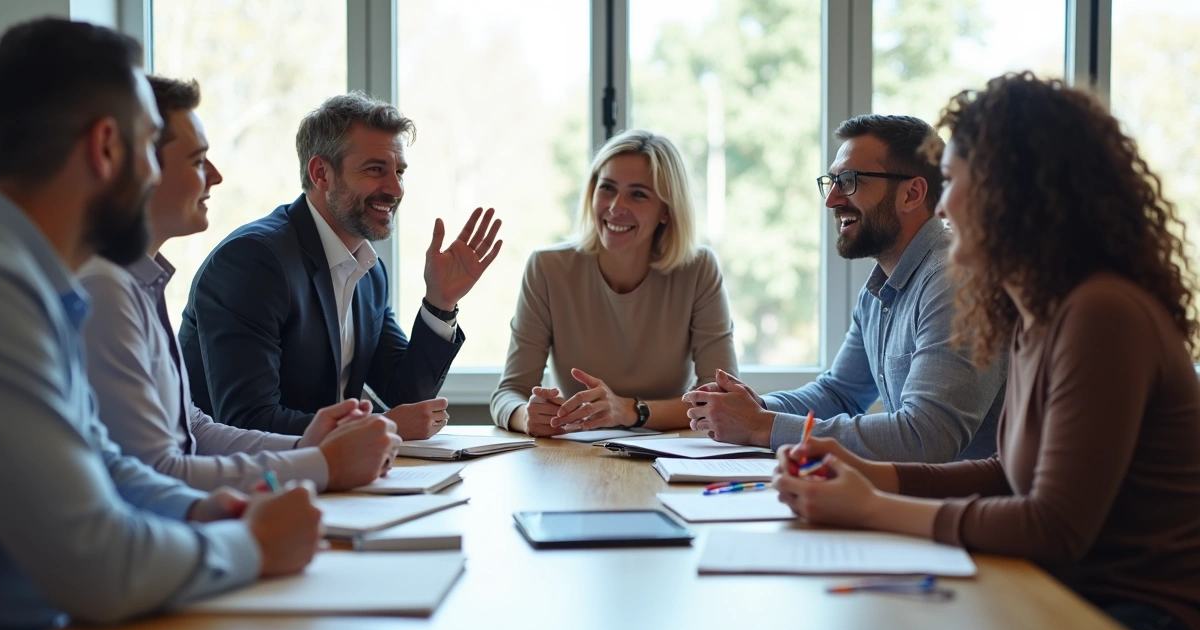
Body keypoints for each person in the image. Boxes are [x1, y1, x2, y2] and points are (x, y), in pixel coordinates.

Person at [775, 73, 1200, 630]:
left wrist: (871, 506)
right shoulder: (1034, 312)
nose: (943, 203)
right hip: (1057, 591)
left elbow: (1054, 525)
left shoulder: (1102, 312)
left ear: (1015, 193)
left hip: (1133, 617)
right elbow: (1010, 475)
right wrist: (868, 472)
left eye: (952, 181)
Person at [0, 19, 328, 630]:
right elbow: (98, 562)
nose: (150, 175)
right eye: (150, 147)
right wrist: (252, 546)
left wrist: (205, 509)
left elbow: (107, 463)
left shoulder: (36, 282)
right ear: (106, 148)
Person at [79, 76, 401, 493]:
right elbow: (159, 469)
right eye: (197, 160)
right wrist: (322, 465)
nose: (215, 176)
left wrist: (307, 444)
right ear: (131, 163)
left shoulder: (142, 282)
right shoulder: (104, 289)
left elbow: (194, 429)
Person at [179, 92, 503, 437]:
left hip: (332, 476)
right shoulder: (253, 261)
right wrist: (380, 425)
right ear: (321, 173)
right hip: (248, 482)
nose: (395, 188)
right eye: (376, 170)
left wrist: (440, 303)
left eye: (399, 171)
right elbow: (247, 421)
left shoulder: (370, 273)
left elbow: (405, 397)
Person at [684, 115, 1005, 462]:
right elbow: (840, 393)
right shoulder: (878, 291)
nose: (832, 200)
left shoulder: (953, 283)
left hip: (970, 508)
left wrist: (762, 425)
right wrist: (755, 406)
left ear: (911, 194)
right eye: (832, 181)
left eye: (849, 181)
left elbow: (926, 437)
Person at [490, 130, 737, 436]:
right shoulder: (547, 268)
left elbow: (720, 400)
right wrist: (525, 416)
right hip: (577, 455)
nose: (615, 206)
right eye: (607, 188)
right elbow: (508, 392)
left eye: (638, 194)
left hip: (671, 453)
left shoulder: (699, 269)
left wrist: (630, 411)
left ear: (666, 210)